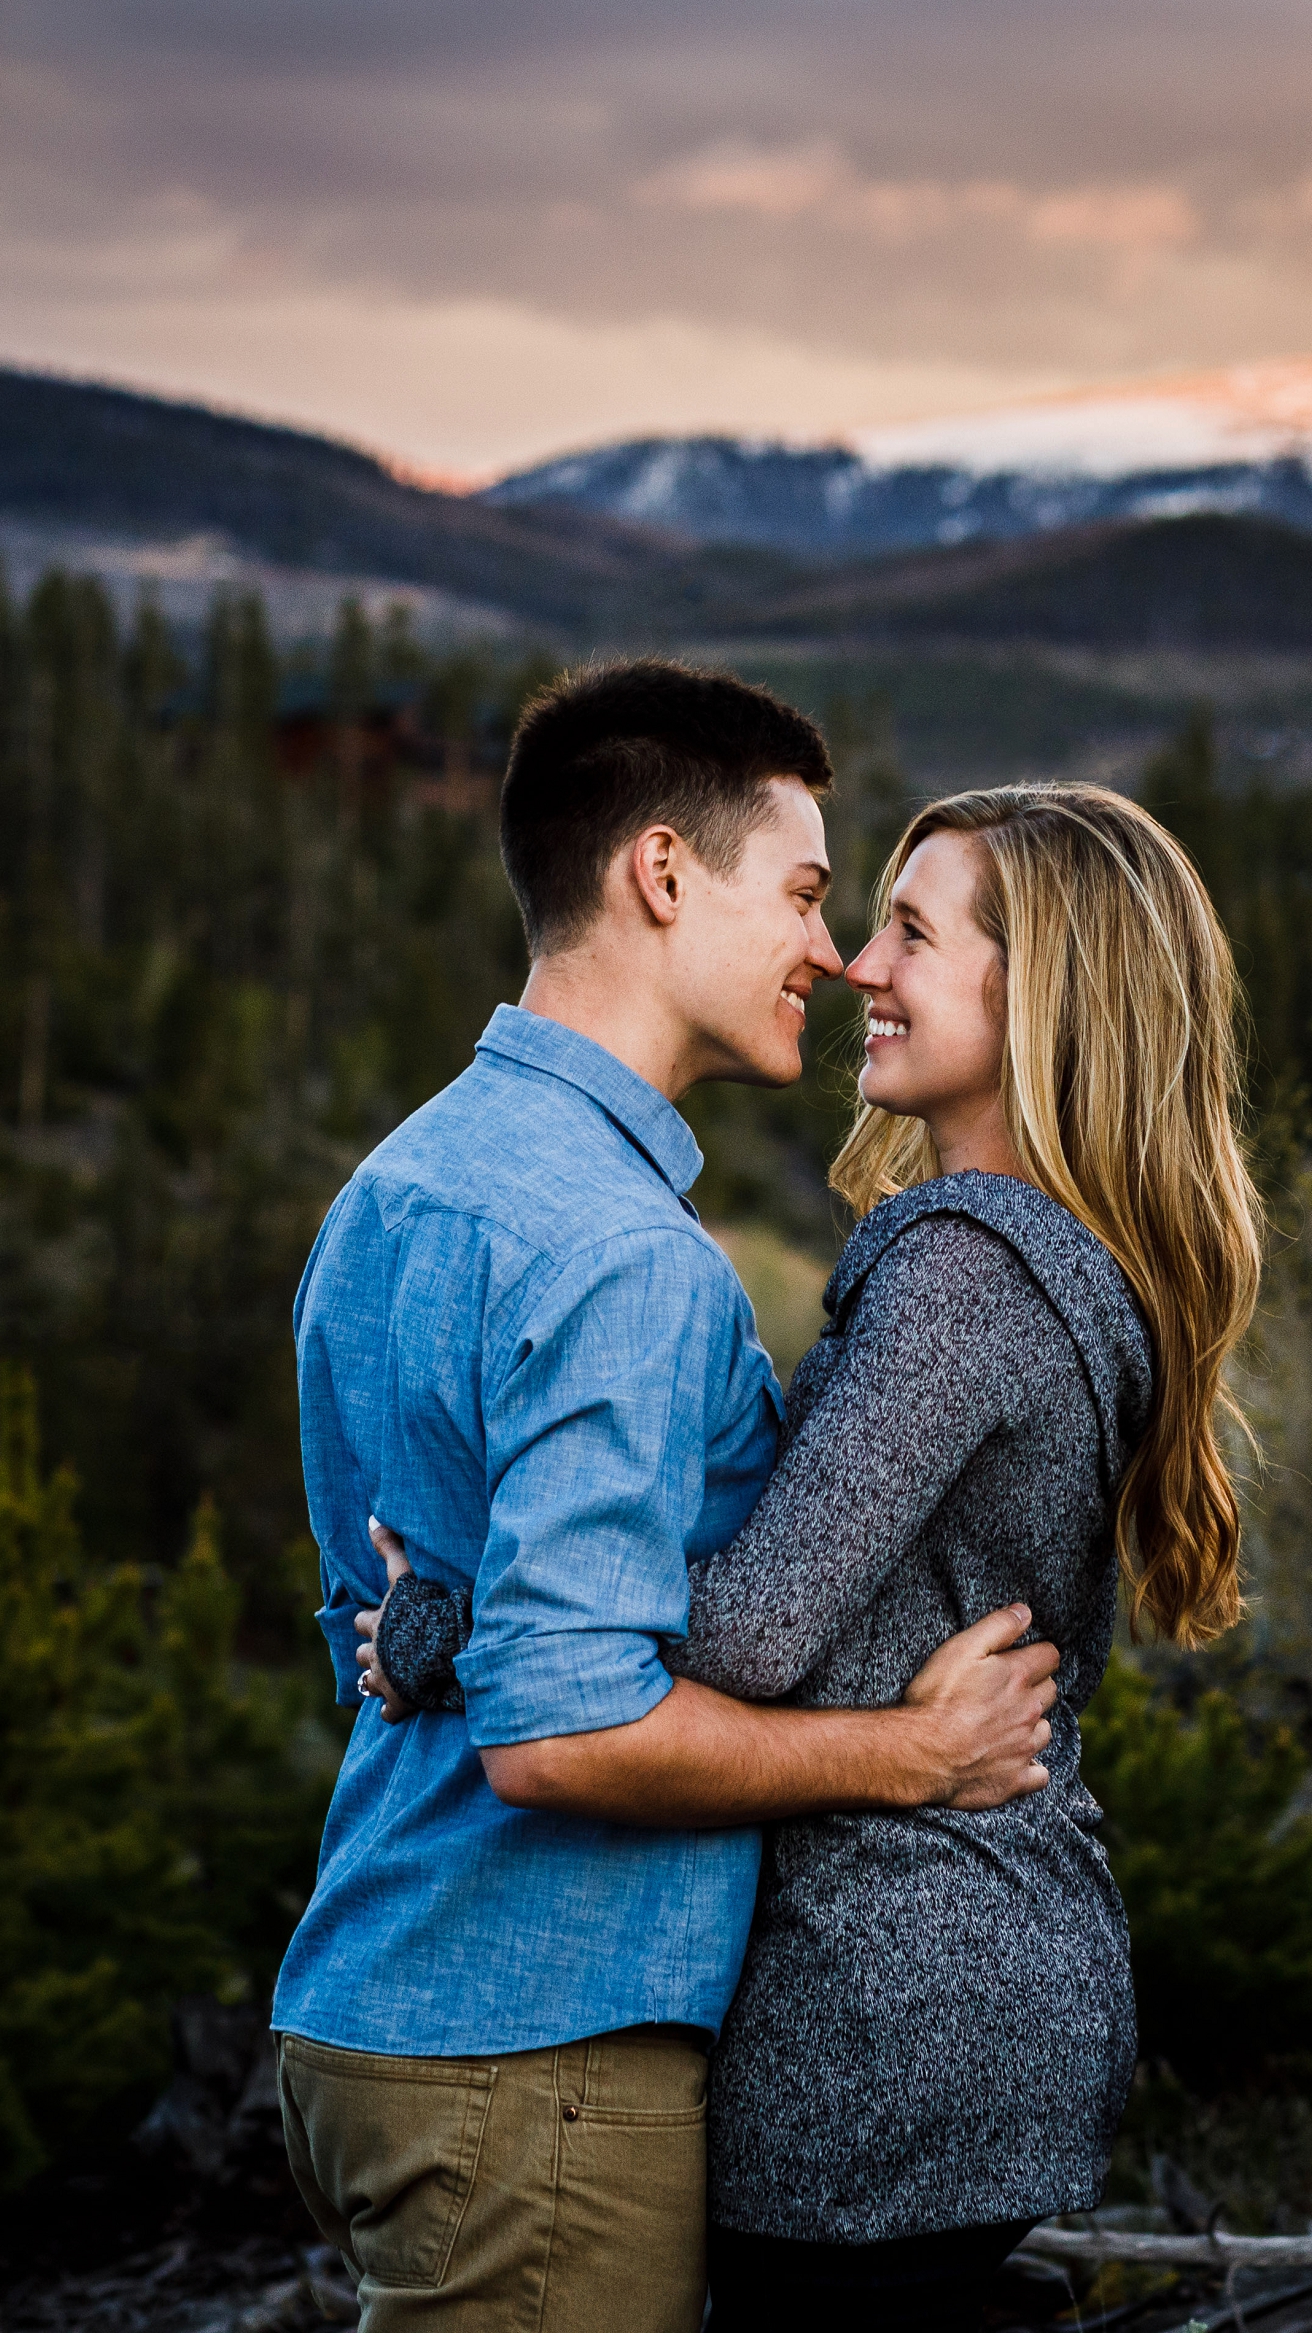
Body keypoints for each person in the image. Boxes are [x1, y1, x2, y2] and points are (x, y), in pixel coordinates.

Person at [361, 781, 1262, 2332]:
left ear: (1033, 991)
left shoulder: (968, 1268)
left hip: (881, 2004)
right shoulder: (1057, 1260)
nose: (861, 964)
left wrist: (448, 1621)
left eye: (913, 930)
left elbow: (751, 1634)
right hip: (970, 1981)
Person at [269, 662, 1066, 2333]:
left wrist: (454, 1625)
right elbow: (559, 1733)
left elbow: (390, 1607)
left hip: (376, 1992)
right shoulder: (626, 1254)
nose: (833, 954)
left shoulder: (399, 1182)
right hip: (535, 2042)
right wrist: (914, 1754)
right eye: (800, 891)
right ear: (657, 873)